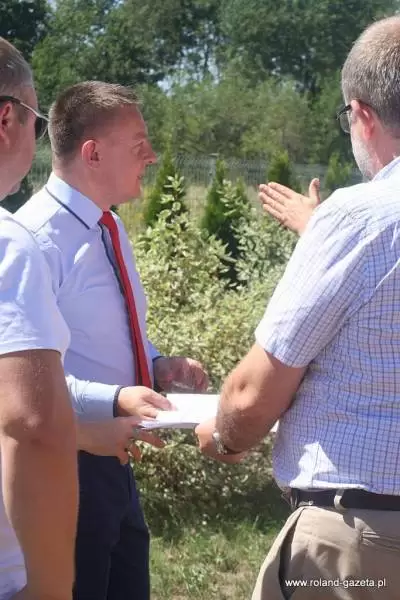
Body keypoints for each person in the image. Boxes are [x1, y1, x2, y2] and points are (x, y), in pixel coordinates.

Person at [196, 15, 400, 600]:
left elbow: (251, 396)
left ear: (361, 114)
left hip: (357, 546)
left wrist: (224, 437)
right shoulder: (354, 226)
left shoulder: (358, 218)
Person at [17, 80, 208, 600]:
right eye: (139, 143)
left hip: (113, 461)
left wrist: (158, 363)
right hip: (63, 461)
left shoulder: (109, 227)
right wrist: (115, 397)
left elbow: (105, 334)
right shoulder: (33, 241)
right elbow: (24, 379)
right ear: (93, 153)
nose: (152, 156)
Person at [0, 38, 78, 600]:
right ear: (7, 119)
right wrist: (50, 589)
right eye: (36, 119)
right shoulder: (8, 244)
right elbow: (32, 424)